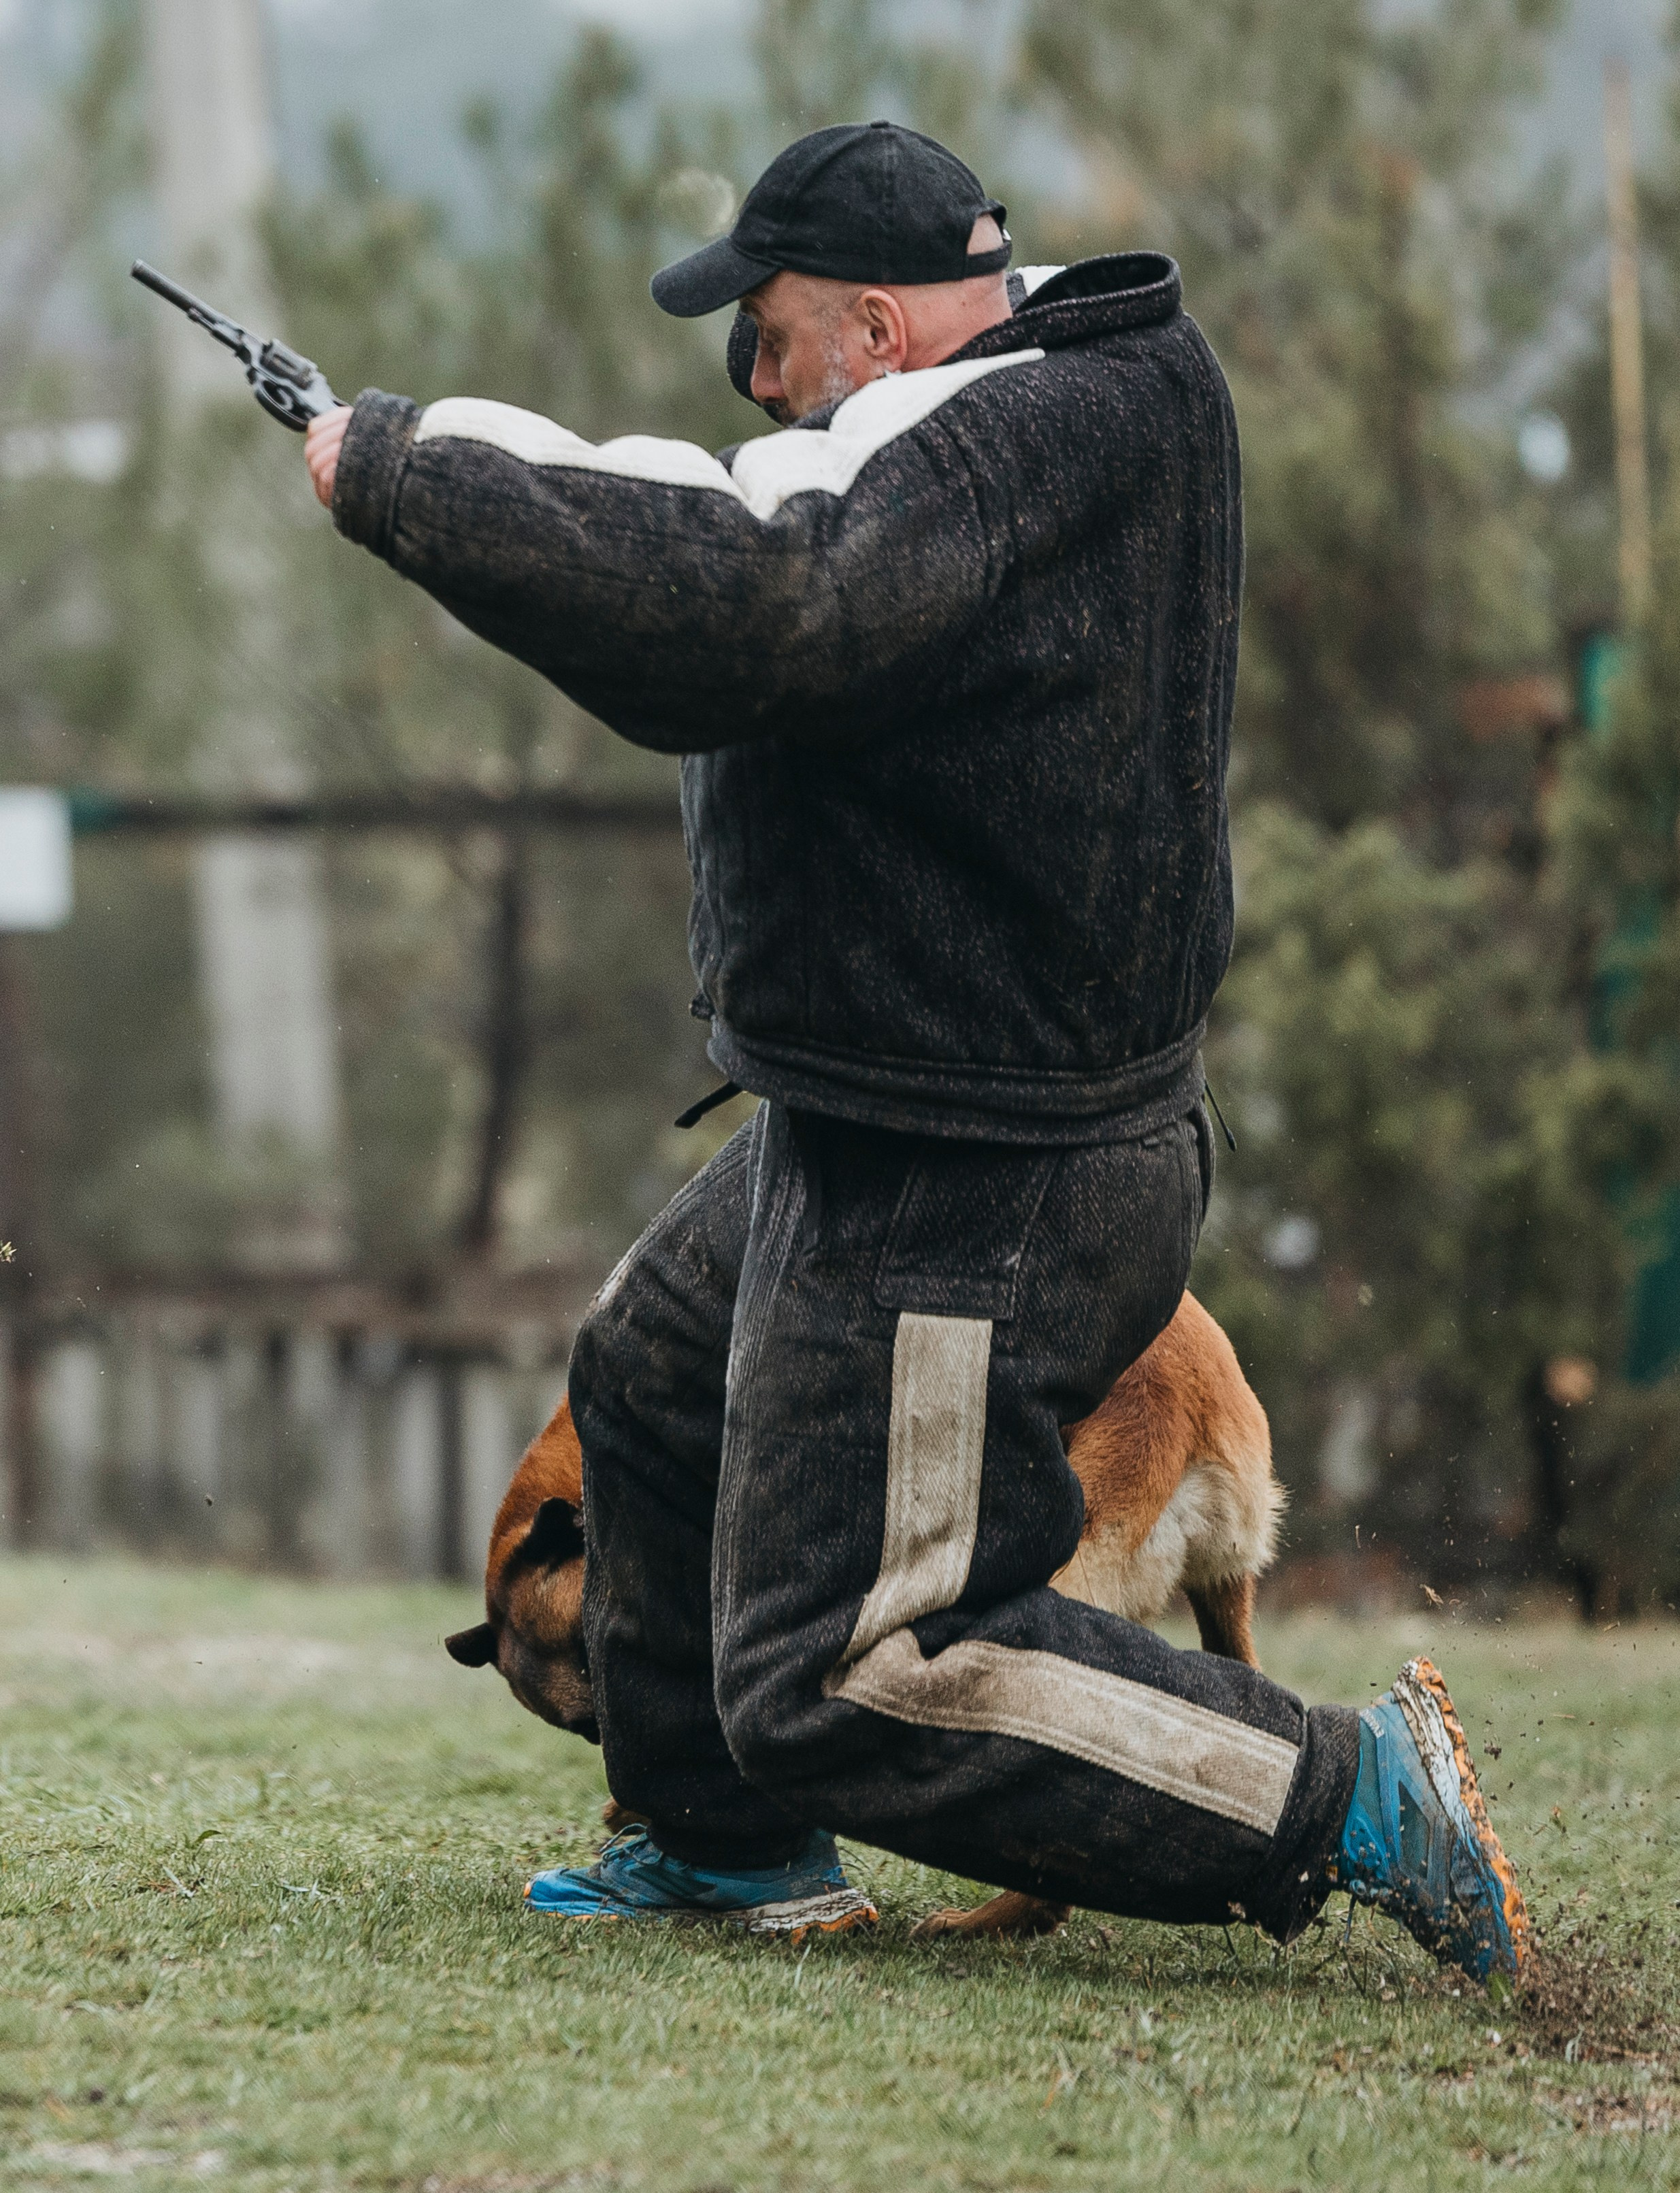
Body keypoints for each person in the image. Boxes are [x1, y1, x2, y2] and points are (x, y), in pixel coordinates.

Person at [304, 121, 1526, 1977]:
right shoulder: (1029, 409)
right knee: (648, 1368)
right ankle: (725, 1846)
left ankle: (1349, 1795)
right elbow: (718, 508)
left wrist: (401, 475)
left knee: (853, 1667)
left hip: (991, 1166)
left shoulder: (1022, 440)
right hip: (898, 1105)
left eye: (774, 336)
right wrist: (414, 455)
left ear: (880, 327)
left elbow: (750, 594)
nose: (753, 379)